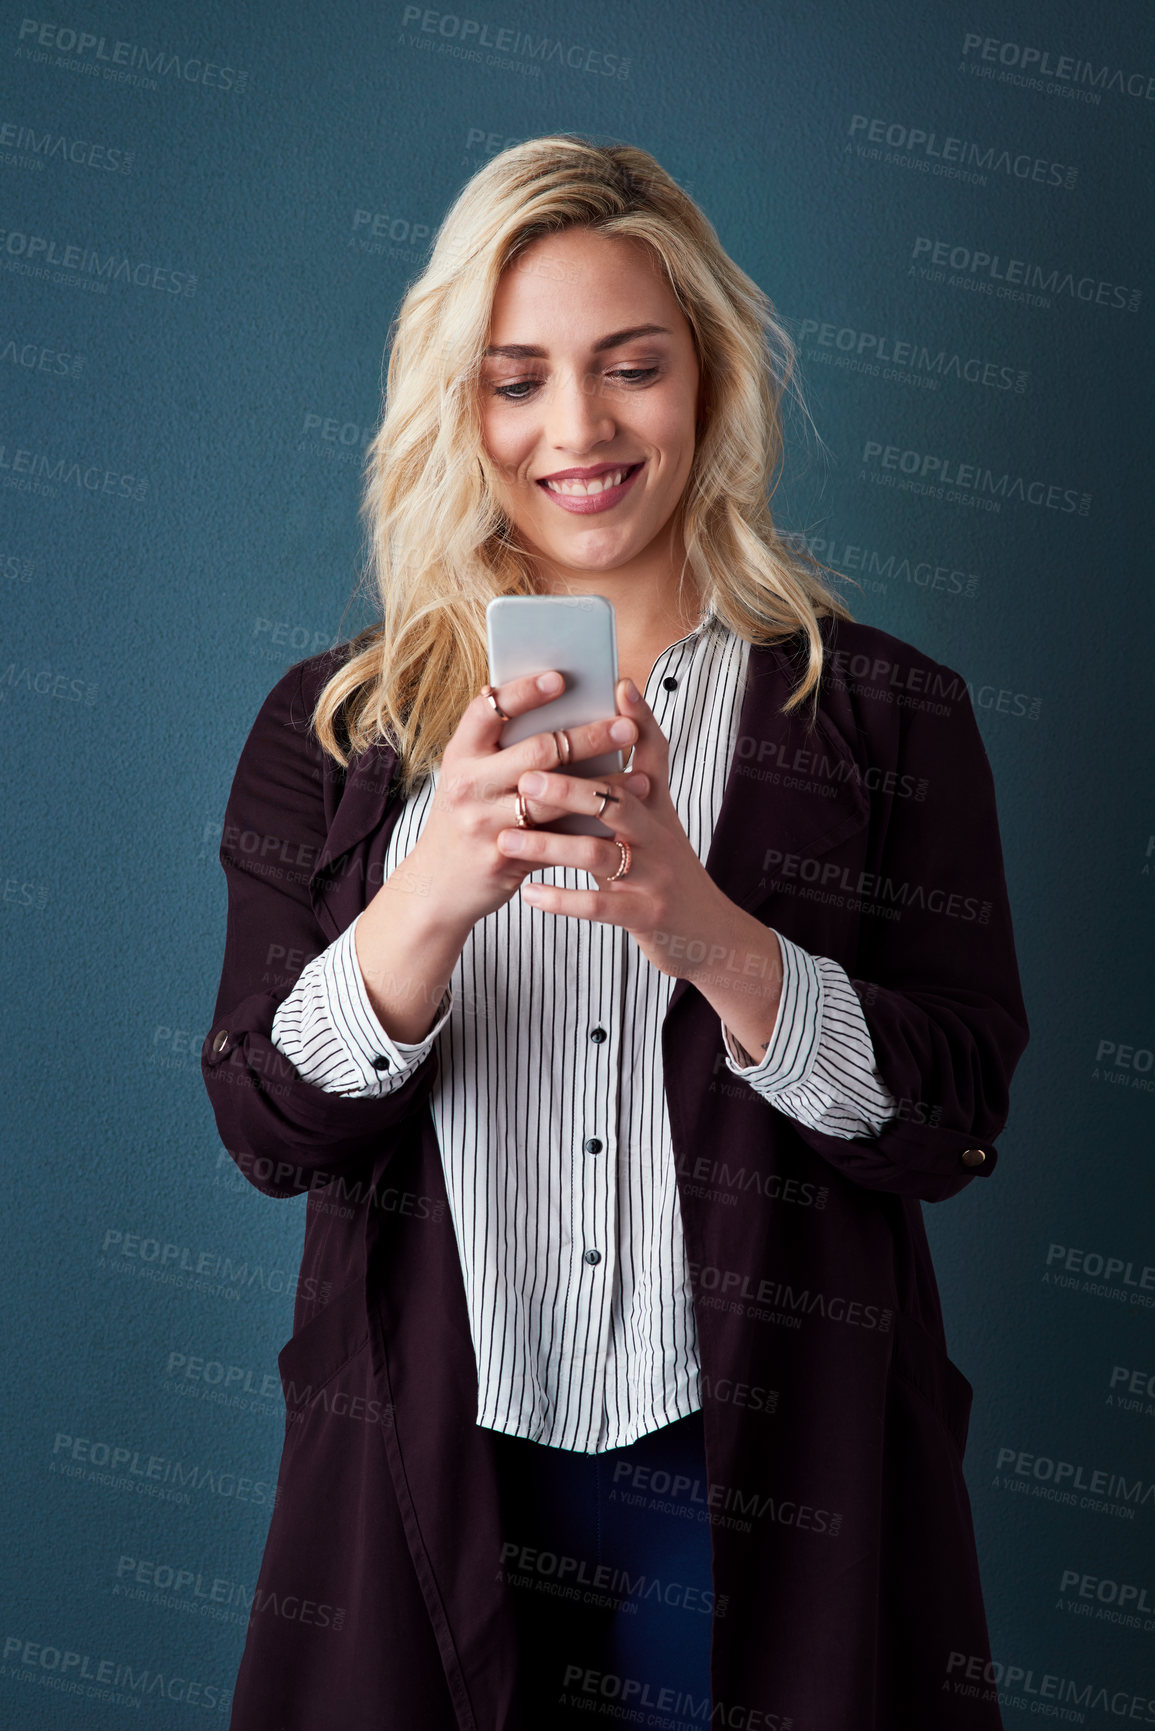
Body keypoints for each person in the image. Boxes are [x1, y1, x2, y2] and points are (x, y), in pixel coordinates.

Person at [201, 135, 1030, 1731]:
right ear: (461, 407)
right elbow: (258, 1118)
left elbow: (952, 1121)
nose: (577, 430)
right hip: (434, 1461)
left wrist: (707, 926)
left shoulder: (884, 713)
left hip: (765, 1477)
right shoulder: (333, 732)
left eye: (629, 367)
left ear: (707, 380)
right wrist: (425, 899)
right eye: (517, 381)